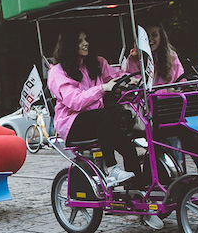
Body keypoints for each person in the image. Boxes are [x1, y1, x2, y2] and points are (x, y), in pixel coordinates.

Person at [48, 29, 138, 187]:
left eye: (86, 39)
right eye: (80, 41)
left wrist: (130, 81)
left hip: (99, 121)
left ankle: (138, 188)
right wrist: (102, 88)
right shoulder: (57, 72)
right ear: (70, 45)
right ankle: (111, 169)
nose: (86, 43)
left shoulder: (97, 63)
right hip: (72, 124)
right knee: (102, 115)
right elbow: (74, 101)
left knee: (128, 145)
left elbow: (115, 78)